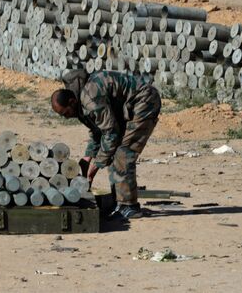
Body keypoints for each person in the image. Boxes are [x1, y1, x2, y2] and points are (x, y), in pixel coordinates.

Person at [50, 69, 161, 219]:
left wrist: (95, 166)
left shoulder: (90, 98)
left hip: (144, 102)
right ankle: (119, 203)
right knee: (113, 154)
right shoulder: (81, 102)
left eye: (65, 113)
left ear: (71, 102)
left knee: (123, 154)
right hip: (130, 107)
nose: (66, 117)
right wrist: (88, 157)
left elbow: (110, 133)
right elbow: (97, 131)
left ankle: (129, 207)